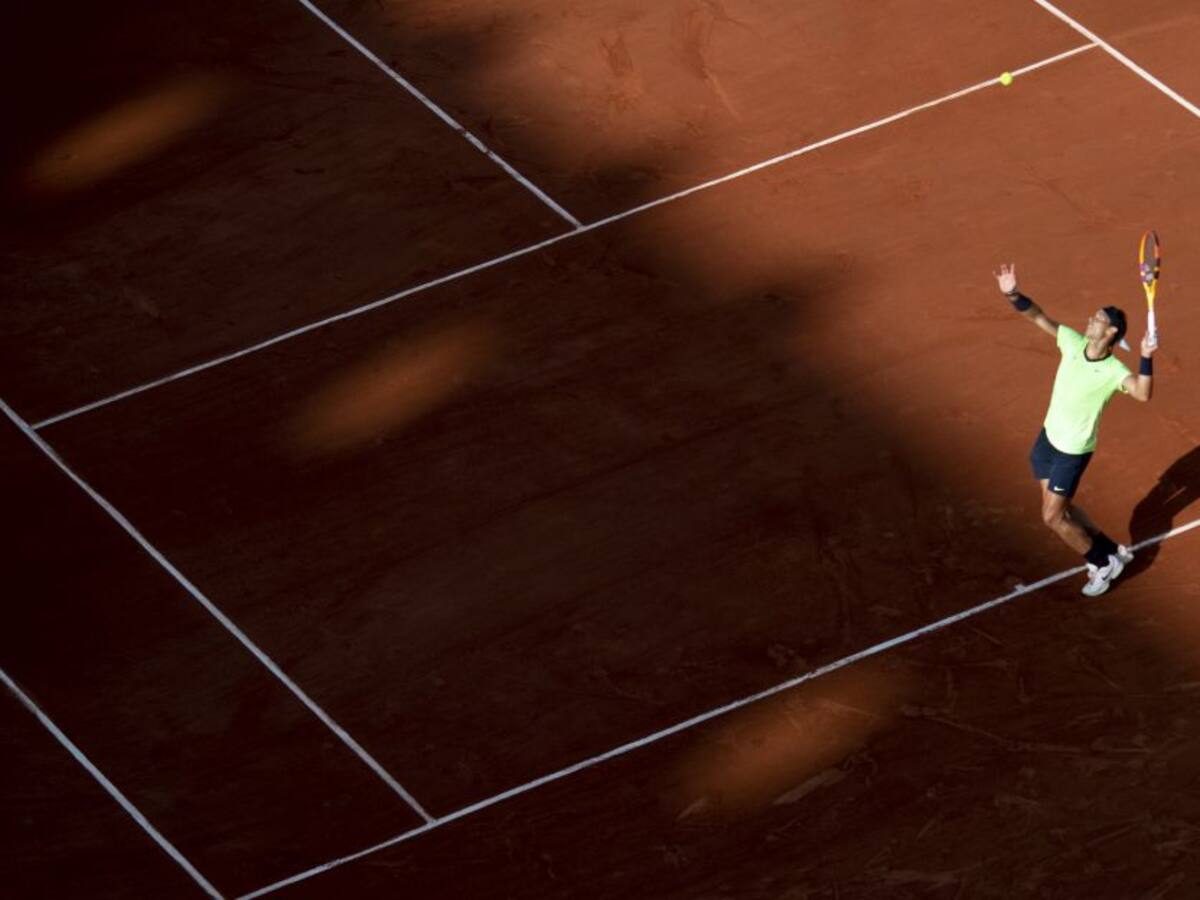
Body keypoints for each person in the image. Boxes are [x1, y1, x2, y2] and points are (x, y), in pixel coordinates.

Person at [995, 263, 1158, 596]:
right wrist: (1013, 294)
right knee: (1063, 510)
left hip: (1073, 450)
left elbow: (1142, 393)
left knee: (1052, 518)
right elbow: (1038, 316)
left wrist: (1145, 357)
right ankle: (1113, 550)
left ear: (1111, 331)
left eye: (1098, 320)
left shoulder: (1114, 370)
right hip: (1047, 440)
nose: (1090, 320)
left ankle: (1102, 563)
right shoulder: (1071, 341)